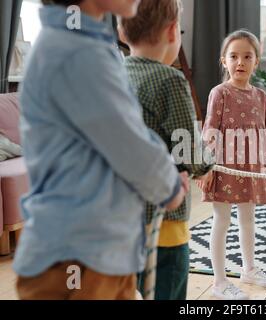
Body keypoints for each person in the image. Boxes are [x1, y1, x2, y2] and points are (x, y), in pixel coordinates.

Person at [13, 0, 188, 300]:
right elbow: (128, 142)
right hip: (82, 256)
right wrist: (169, 186)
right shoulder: (78, 51)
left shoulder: (78, 43)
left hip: (97, 253)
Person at [119, 0, 214, 300]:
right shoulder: (170, 80)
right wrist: (207, 161)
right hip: (161, 220)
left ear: (122, 30)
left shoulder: (113, 73)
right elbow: (188, 152)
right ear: (173, 31)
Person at [198, 30, 266, 300]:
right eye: (233, 56)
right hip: (223, 168)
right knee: (222, 220)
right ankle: (219, 282)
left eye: (247, 56)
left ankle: (249, 269)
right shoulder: (219, 93)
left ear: (256, 62)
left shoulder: (261, 97)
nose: (240, 62)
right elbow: (210, 130)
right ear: (224, 61)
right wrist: (205, 167)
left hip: (251, 168)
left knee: (248, 218)